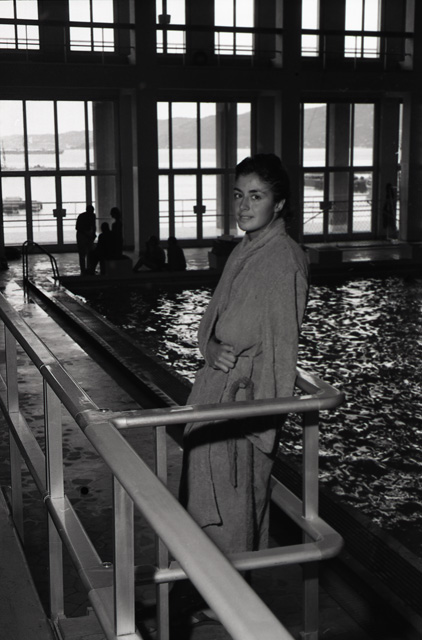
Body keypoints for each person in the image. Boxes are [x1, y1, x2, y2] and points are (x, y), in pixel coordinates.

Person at [179, 153, 309, 567]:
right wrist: (210, 347)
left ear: (279, 203)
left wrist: (263, 425)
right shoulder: (246, 247)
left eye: (257, 196)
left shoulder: (283, 259)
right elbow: (215, 318)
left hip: (242, 404)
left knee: (233, 507)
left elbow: (282, 349)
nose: (244, 206)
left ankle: (226, 594)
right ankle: (207, 586)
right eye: (238, 195)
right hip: (217, 392)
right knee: (209, 501)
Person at [76, 204, 96, 275]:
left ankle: (84, 270)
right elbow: (93, 226)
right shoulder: (92, 216)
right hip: (84, 235)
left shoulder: (81, 216)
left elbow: (78, 227)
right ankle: (88, 269)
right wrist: (92, 234)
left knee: (83, 254)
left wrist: (92, 234)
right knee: (88, 253)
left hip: (82, 235)